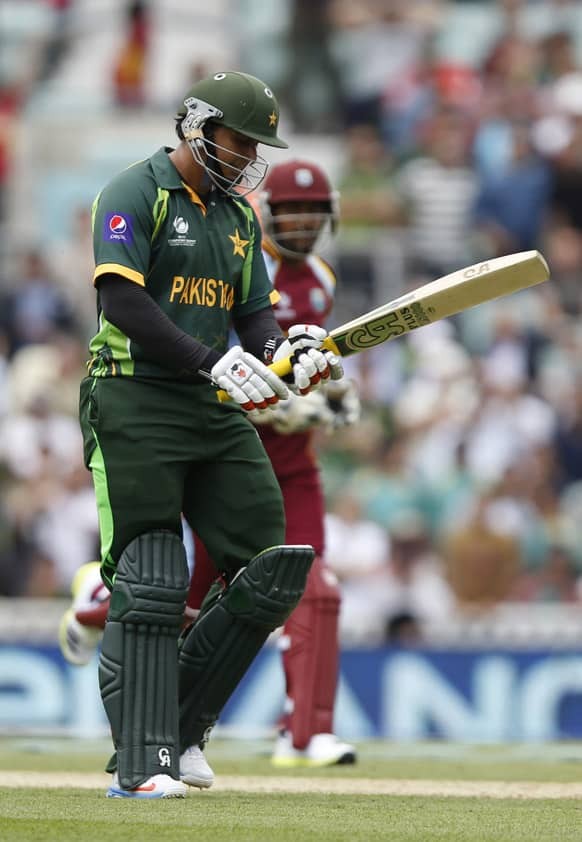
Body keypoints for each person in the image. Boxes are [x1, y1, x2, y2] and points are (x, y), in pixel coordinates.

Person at [62, 70, 344, 799]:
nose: (248, 155)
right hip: (133, 397)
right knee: (152, 576)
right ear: (197, 124)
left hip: (209, 405)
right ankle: (139, 765)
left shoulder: (241, 217)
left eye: (257, 146)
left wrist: (290, 349)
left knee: (271, 566)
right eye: (237, 139)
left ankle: (180, 729)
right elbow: (121, 299)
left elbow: (254, 316)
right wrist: (210, 359)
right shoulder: (134, 192)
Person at [189, 158, 360, 767]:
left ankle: (305, 734)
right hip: (226, 461)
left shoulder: (322, 278)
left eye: (315, 212)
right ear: (269, 211)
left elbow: (315, 360)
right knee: (185, 601)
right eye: (295, 210)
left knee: (316, 587)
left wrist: (334, 393)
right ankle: (93, 600)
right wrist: (271, 408)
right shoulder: (240, 265)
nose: (306, 223)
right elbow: (215, 361)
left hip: (294, 467)